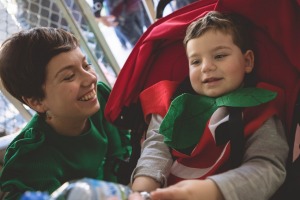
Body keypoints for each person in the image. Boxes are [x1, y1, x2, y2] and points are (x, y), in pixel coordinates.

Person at [129, 11, 289, 200]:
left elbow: (267, 166)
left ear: (247, 61)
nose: (206, 67)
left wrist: (214, 190)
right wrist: (141, 190)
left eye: (219, 56)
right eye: (196, 61)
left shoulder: (260, 109)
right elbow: (156, 149)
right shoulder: (170, 102)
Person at [0, 27, 131, 199]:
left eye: (86, 65)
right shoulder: (31, 161)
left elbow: (122, 154)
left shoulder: (100, 97)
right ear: (37, 102)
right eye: (69, 76)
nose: (90, 78)